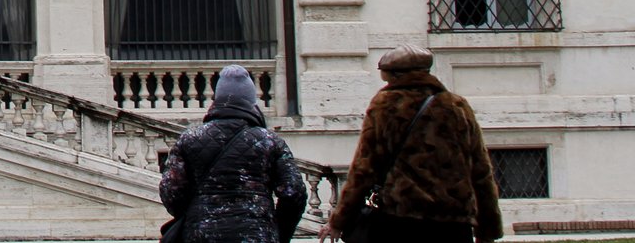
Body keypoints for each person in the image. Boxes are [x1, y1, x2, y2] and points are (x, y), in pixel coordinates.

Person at [327, 47, 502, 243]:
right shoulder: (456, 105)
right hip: (453, 221)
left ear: (392, 74)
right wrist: (487, 229)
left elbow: (364, 168)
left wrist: (339, 221)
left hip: (399, 218)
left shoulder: (386, 105)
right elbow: (480, 169)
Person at [159, 65, 307, 243]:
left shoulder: (190, 139)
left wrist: (195, 212)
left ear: (217, 99)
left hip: (203, 234)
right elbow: (294, 192)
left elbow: (171, 192)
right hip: (257, 233)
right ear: (251, 101)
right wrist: (278, 230)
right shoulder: (270, 141)